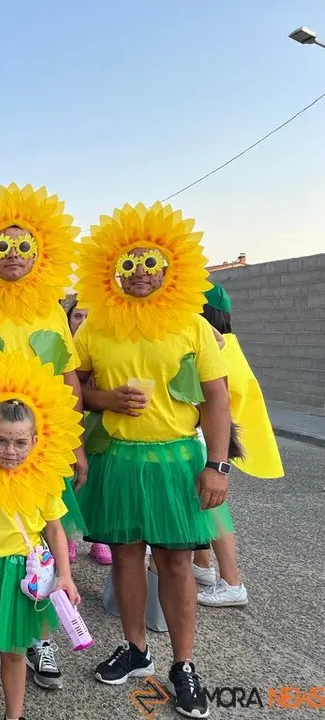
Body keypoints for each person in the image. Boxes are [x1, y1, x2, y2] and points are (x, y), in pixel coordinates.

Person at [75, 202, 232, 719]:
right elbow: (72, 388)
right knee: (124, 557)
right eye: (130, 262)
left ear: (170, 266)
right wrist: (106, 401)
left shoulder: (192, 324)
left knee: (176, 562)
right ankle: (137, 649)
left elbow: (216, 397)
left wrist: (218, 465)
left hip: (175, 459)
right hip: (119, 457)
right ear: (112, 268)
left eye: (150, 261)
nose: (140, 271)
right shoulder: (95, 326)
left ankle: (184, 664)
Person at [0, 183, 86, 690]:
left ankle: (37, 636)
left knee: (46, 536)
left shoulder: (51, 308)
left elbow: (69, 378)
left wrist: (74, 445)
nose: (12, 256)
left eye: (23, 245)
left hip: (39, 449)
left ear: (41, 250)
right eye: (2, 246)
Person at [0, 351, 83, 720]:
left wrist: (66, 576)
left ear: (35, 440)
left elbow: (54, 528)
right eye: (1, 440)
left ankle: (14, 715)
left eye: (20, 442)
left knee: (16, 651)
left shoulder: (44, 478)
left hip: (27, 574)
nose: (10, 451)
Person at [192, 283, 283, 608]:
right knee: (200, 505)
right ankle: (202, 565)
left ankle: (232, 581)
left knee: (213, 509)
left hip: (206, 440)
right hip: (214, 441)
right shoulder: (231, 343)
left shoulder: (213, 344)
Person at [63, 297, 112, 567]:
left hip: (99, 425)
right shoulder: (70, 349)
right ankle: (68, 536)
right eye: (78, 316)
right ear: (68, 320)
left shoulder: (97, 344)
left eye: (88, 317)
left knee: (94, 482)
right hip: (78, 421)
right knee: (73, 481)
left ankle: (99, 538)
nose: (83, 322)